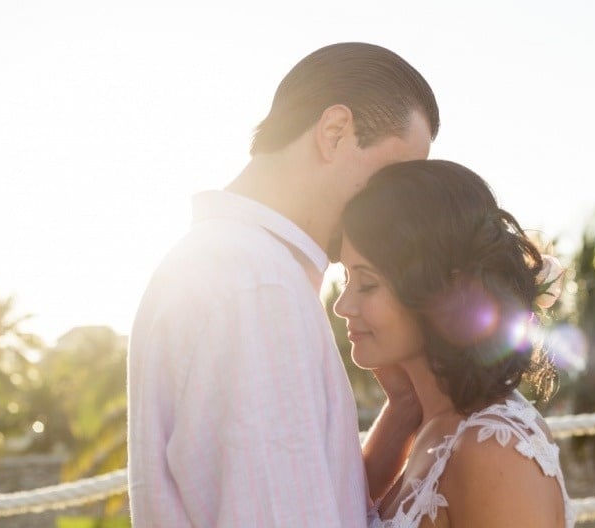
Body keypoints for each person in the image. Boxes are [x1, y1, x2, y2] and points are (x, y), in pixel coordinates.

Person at [126, 42, 440, 527]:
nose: (397, 211)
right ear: (335, 132)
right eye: (391, 180)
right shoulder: (258, 287)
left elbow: (306, 497)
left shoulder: (231, 263)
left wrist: (403, 410)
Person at [334, 159, 574, 528]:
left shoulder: (494, 449)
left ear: (444, 291)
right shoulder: (435, 421)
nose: (342, 305)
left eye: (367, 284)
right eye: (347, 278)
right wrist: (402, 406)